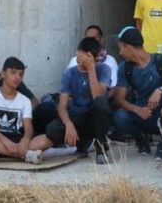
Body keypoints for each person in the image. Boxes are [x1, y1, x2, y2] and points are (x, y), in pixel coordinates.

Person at [112, 26, 162, 161]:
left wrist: (161, 90)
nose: (120, 53)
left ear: (129, 47)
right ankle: (141, 140)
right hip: (142, 114)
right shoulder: (124, 68)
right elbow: (119, 100)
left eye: (121, 48)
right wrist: (136, 109)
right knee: (119, 117)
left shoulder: (161, 61)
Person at [43, 37, 113, 165]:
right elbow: (62, 106)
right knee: (53, 129)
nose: (81, 60)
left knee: (101, 103)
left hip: (93, 119)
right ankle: (81, 144)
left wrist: (91, 69)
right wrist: (69, 124)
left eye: (86, 57)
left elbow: (98, 97)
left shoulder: (104, 69)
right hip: (76, 119)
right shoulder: (69, 73)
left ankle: (101, 149)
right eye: (79, 55)